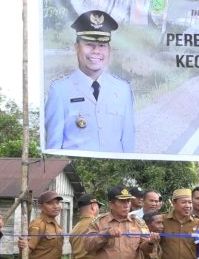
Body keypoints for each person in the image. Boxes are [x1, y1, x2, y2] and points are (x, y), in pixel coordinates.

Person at [44, 10, 135, 152]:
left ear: (109, 50)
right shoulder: (60, 91)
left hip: (114, 173)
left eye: (102, 45)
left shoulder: (123, 89)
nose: (96, 51)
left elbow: (128, 142)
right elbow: (53, 148)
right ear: (77, 47)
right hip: (76, 172)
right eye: (89, 44)